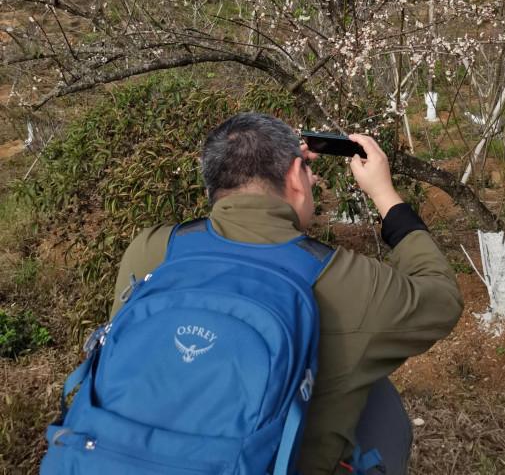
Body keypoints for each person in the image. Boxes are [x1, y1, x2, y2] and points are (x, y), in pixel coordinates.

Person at [111, 113, 463, 474]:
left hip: (123, 459)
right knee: (380, 404)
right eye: (307, 173)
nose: (314, 178)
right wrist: (384, 194)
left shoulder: (152, 249)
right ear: (295, 176)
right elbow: (441, 296)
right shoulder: (345, 281)